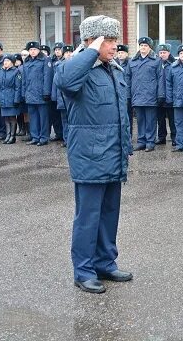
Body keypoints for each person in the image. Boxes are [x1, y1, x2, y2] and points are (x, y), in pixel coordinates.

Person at [54, 15, 132, 294]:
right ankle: (83, 271)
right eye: (108, 40)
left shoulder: (115, 70)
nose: (114, 46)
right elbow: (65, 81)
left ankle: (105, 263)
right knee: (88, 216)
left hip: (113, 154)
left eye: (115, 40)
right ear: (91, 41)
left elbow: (121, 116)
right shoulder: (76, 70)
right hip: (89, 155)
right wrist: (89, 51)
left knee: (109, 214)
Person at [129, 37, 163, 152]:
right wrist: (128, 94)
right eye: (141, 45)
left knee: (150, 121)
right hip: (137, 95)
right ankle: (141, 141)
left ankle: (150, 142)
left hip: (150, 95)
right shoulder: (133, 61)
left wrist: (160, 95)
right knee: (140, 120)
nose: (143, 47)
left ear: (150, 48)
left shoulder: (156, 61)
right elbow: (128, 79)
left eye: (145, 46)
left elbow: (160, 79)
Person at [22, 41, 53, 146]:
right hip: (30, 93)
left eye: (34, 49)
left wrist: (46, 92)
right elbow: (24, 79)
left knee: (43, 117)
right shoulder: (27, 61)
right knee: (33, 117)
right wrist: (23, 93)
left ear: (38, 50)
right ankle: (35, 137)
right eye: (30, 50)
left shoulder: (45, 59)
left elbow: (47, 77)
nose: (32, 51)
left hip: (41, 93)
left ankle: (43, 137)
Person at [0, 54, 22, 144]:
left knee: (12, 118)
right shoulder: (0, 71)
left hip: (11, 97)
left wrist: (16, 100)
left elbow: (18, 87)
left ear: (12, 63)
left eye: (8, 61)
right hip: (2, 98)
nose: (5, 63)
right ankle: (8, 135)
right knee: (6, 118)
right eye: (4, 61)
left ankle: (12, 136)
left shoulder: (16, 72)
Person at [52, 45, 74, 147]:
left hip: (73, 98)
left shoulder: (76, 64)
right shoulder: (59, 65)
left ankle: (73, 140)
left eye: (70, 52)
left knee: (73, 120)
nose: (68, 54)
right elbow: (55, 83)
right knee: (64, 120)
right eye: (66, 53)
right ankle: (66, 140)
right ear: (64, 54)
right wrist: (54, 97)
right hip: (61, 97)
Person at [156, 44, 176, 146]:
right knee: (160, 119)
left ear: (169, 53)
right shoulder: (156, 64)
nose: (162, 54)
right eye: (160, 52)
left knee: (173, 120)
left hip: (170, 96)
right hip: (159, 96)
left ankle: (174, 138)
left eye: (164, 52)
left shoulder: (174, 64)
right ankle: (161, 137)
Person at [115, 44, 133, 137]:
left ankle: (128, 135)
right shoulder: (113, 64)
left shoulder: (130, 64)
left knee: (128, 116)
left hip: (127, 94)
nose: (120, 54)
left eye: (122, 52)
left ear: (126, 54)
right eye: (118, 52)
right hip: (117, 94)